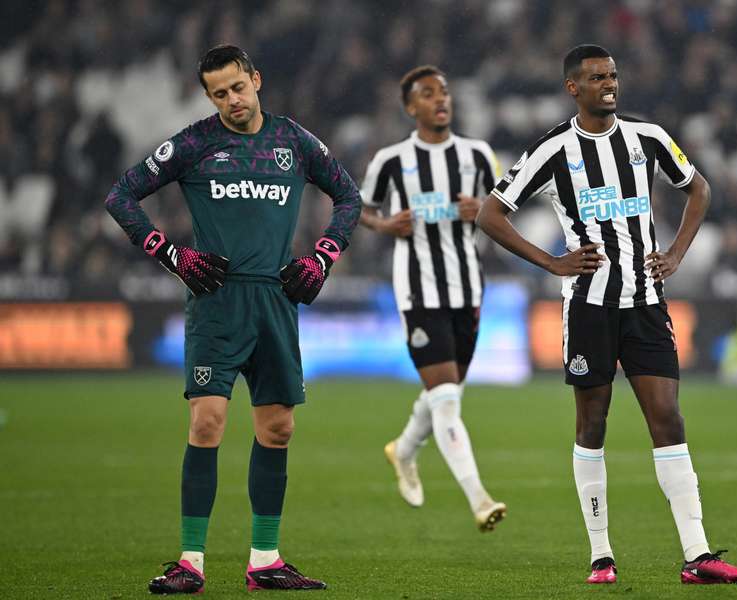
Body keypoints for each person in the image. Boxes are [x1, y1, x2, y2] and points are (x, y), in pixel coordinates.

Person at [476, 45, 737, 585]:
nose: (609, 84)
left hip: (646, 302)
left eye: (613, 75)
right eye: (597, 78)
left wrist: (675, 254)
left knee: (668, 417)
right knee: (593, 422)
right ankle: (601, 556)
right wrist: (553, 263)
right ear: (572, 88)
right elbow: (491, 213)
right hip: (589, 306)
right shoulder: (553, 149)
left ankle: (698, 556)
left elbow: (698, 188)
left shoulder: (647, 137)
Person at [105, 45, 361, 593]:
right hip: (216, 301)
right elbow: (121, 195)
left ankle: (264, 559)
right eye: (219, 93)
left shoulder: (293, 140)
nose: (232, 100)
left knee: (279, 428)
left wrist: (322, 256)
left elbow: (348, 196)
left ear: (256, 80)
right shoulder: (195, 143)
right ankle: (190, 563)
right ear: (208, 96)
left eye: (237, 88)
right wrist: (170, 254)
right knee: (207, 423)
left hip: (275, 299)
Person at [359, 65, 506, 531]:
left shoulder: (478, 155)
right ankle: (479, 499)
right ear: (410, 107)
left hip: (468, 288)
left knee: (447, 393)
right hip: (418, 291)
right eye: (427, 93)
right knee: (445, 397)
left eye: (444, 91)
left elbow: (502, 211)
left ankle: (403, 450)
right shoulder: (391, 159)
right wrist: (385, 225)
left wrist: (481, 210)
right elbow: (360, 209)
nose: (440, 99)